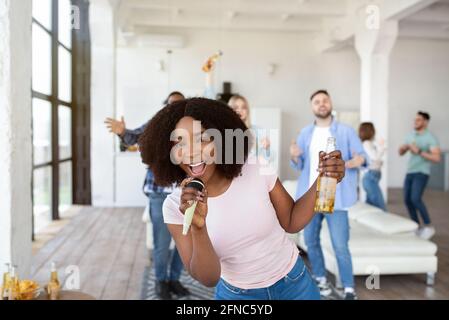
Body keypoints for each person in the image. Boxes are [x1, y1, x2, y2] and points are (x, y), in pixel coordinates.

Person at [137, 98, 346, 300]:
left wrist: (324, 179)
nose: (191, 151)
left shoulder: (255, 167)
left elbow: (291, 221)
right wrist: (198, 228)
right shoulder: (175, 206)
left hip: (296, 284)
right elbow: (207, 278)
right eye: (179, 143)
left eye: (202, 138)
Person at [104, 91, 189, 300]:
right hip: (159, 193)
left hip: (184, 194)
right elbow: (134, 137)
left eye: (180, 104)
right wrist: (123, 132)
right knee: (161, 242)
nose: (175, 107)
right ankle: (161, 282)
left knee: (184, 241)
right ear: (166, 106)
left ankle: (174, 279)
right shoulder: (156, 124)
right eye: (171, 104)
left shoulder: (191, 129)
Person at [289, 90, 367, 300]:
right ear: (312, 107)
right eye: (317, 101)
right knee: (311, 241)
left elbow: (362, 157)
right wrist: (295, 156)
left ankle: (349, 288)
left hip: (336, 196)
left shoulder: (346, 131)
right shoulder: (305, 132)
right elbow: (300, 165)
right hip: (311, 195)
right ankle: (321, 279)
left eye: (325, 100)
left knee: (340, 245)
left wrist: (343, 164)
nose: (321, 104)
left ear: (331, 103)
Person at [399, 111, 441, 240]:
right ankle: (416, 226)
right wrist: (405, 148)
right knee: (407, 200)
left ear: (425, 122)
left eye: (418, 120)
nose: (415, 122)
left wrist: (420, 151)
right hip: (410, 171)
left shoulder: (430, 138)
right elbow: (400, 152)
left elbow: (436, 157)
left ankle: (428, 226)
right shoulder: (411, 135)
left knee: (415, 198)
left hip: (422, 172)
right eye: (415, 120)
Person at [228, 95, 272, 163]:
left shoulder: (257, 131)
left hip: (254, 170)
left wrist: (267, 148)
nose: (240, 110)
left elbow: (266, 160)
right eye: (236, 107)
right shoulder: (225, 132)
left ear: (247, 111)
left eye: (243, 107)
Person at [359, 122, 387, 211]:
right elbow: (375, 157)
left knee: (370, 207)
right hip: (370, 178)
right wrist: (382, 146)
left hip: (371, 177)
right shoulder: (366, 143)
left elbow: (373, 159)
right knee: (381, 207)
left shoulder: (368, 143)